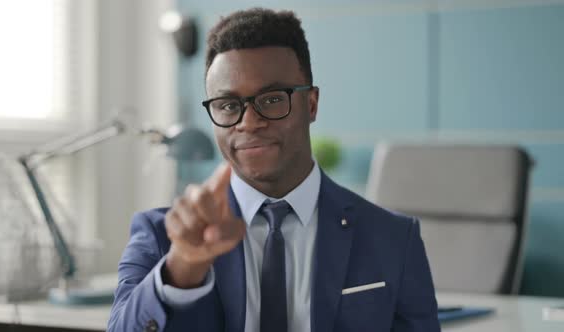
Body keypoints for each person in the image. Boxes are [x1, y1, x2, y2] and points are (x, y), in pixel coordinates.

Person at [108, 8, 440, 332]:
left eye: (271, 99)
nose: (249, 122)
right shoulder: (161, 235)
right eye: (227, 105)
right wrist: (183, 265)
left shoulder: (394, 238)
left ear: (311, 104)